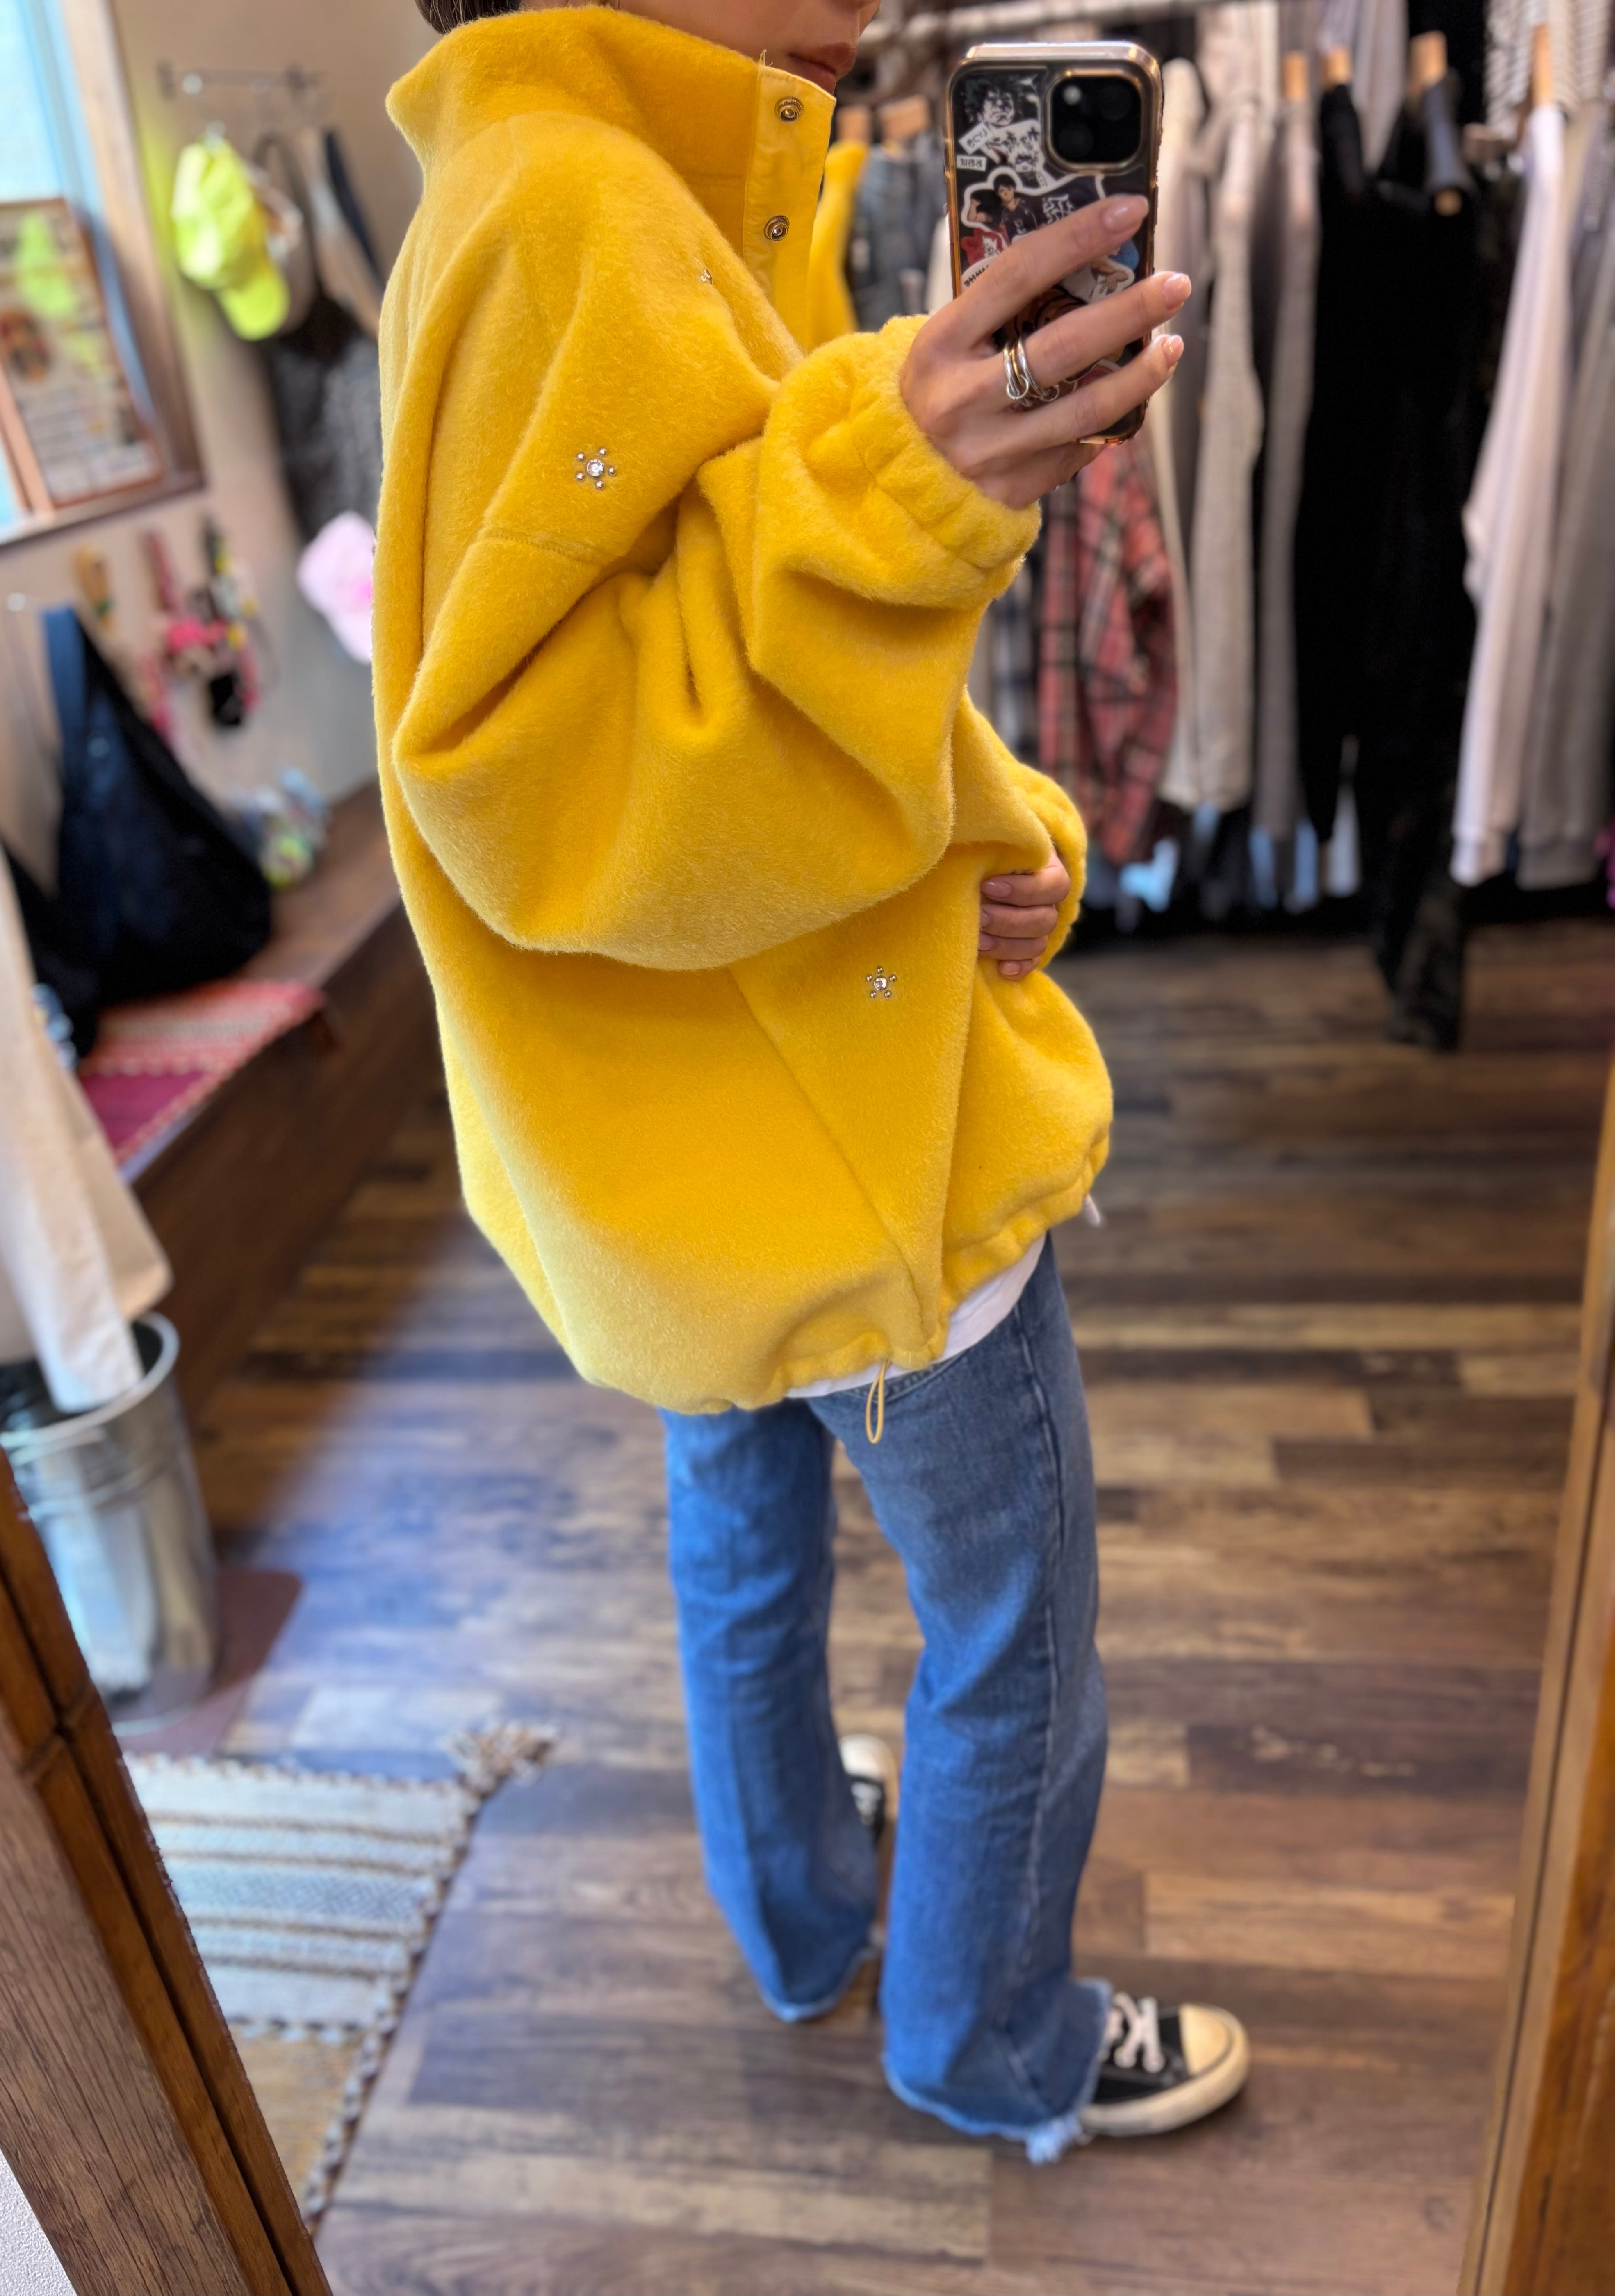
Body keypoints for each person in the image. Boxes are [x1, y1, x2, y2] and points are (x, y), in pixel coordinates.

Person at [378, 0, 1247, 2160]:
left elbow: (741, 679)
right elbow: (528, 777)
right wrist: (897, 482)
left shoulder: (616, 181)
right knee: (1010, 1625)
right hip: (850, 1132)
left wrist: (1002, 829)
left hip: (702, 1146)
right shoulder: (576, 205)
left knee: (744, 1539)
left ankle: (796, 1924)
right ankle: (988, 2041)